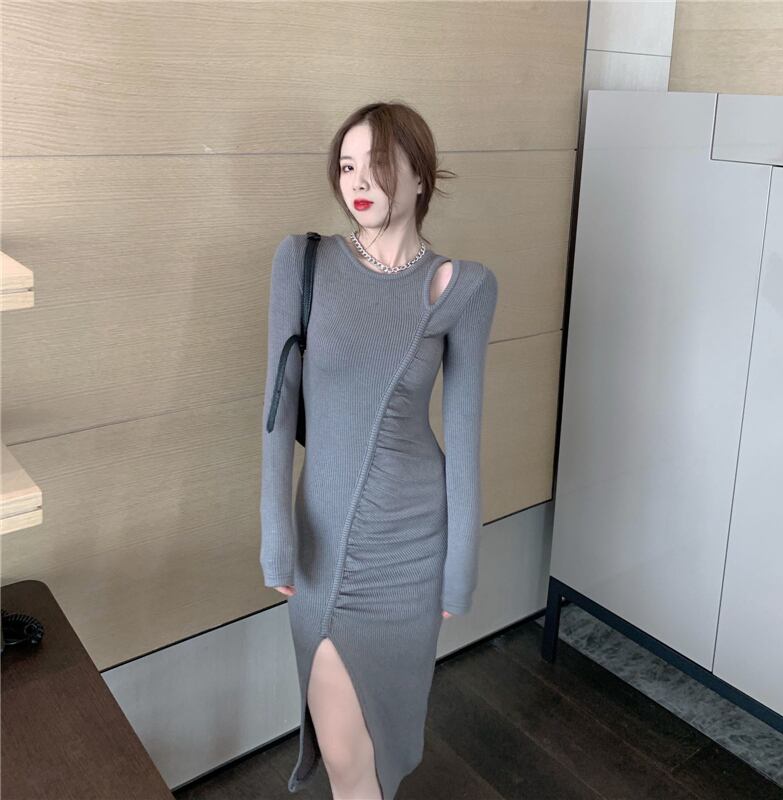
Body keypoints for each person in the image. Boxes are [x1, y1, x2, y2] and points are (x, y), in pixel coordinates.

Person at [261, 101, 498, 800]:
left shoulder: (464, 288)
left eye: (379, 165)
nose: (358, 182)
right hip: (324, 541)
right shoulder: (303, 262)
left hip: (414, 546)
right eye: (347, 166)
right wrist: (276, 535)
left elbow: (465, 437)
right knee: (342, 752)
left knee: (373, 748)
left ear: (422, 175)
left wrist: (460, 568)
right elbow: (275, 412)